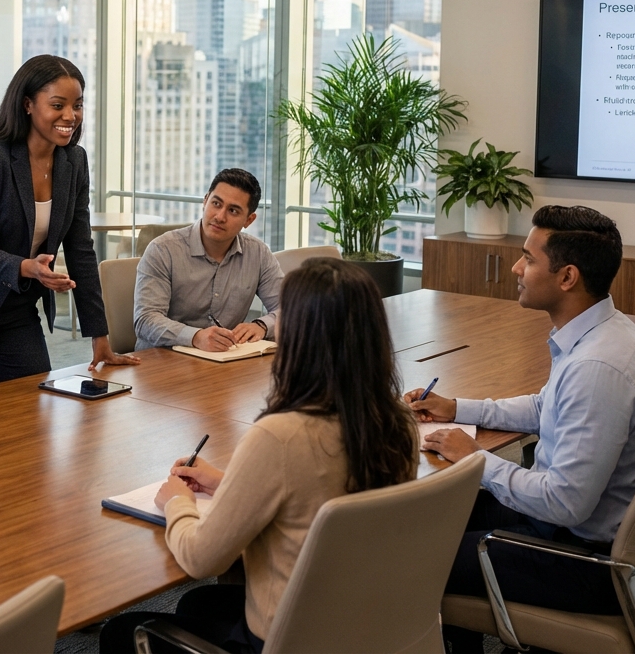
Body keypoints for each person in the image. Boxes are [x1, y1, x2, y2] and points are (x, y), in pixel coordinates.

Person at [99, 258, 418, 654]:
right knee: (199, 604)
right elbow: (316, 488)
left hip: (289, 635)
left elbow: (201, 560)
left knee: (120, 631)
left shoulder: (280, 436)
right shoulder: (398, 421)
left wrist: (179, 504)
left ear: (300, 338)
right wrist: (228, 481)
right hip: (360, 620)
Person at [408, 205, 635, 652]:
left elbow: (565, 503)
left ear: (567, 277)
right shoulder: (602, 331)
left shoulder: (598, 367)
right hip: (580, 532)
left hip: (585, 558)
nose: (516, 267)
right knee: (434, 515)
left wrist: (476, 460)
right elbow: (545, 407)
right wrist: (455, 406)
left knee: (416, 559)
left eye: (528, 258)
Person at [0, 55, 139, 395]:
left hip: (17, 307)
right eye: (57, 105)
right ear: (28, 105)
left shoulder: (74, 161)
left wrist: (100, 335)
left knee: (33, 408)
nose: (70, 116)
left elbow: (80, 249)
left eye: (77, 105)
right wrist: (28, 267)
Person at [133, 169, 284, 353]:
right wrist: (195, 337)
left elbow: (290, 308)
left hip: (223, 363)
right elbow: (145, 319)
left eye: (233, 210)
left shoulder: (257, 253)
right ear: (205, 201)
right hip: (161, 361)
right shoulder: (163, 249)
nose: (220, 216)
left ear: (249, 220)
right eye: (216, 203)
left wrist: (262, 325)